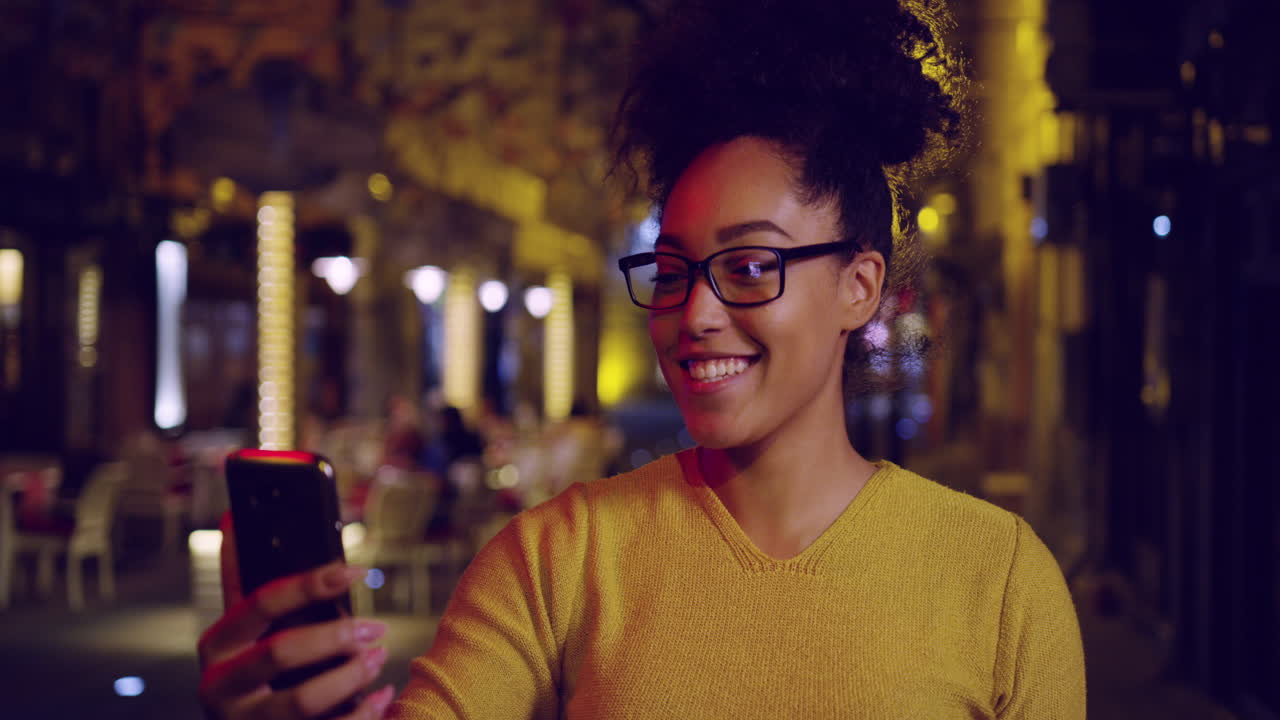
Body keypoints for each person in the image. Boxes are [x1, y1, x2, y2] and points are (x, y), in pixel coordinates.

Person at [197, 0, 1086, 718]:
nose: (693, 314)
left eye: (747, 267)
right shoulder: (558, 556)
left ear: (860, 284)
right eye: (671, 270)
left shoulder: (998, 579)